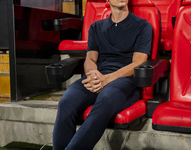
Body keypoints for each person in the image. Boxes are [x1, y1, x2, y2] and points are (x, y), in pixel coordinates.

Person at [53, 0, 152, 149]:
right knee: (66, 102)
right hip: (99, 76)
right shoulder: (96, 27)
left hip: (125, 80)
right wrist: (93, 75)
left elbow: (138, 63)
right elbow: (90, 59)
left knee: (104, 100)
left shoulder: (143, 26)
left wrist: (108, 79)